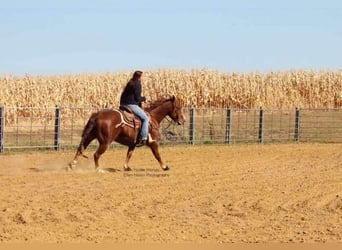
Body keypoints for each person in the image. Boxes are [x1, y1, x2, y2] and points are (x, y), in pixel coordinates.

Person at [120, 70, 149, 145]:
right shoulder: (137, 84)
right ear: (140, 77)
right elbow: (137, 99)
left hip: (124, 104)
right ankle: (144, 137)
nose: (143, 78)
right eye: (143, 76)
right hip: (132, 105)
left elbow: (123, 95)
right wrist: (144, 99)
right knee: (145, 118)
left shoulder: (130, 82)